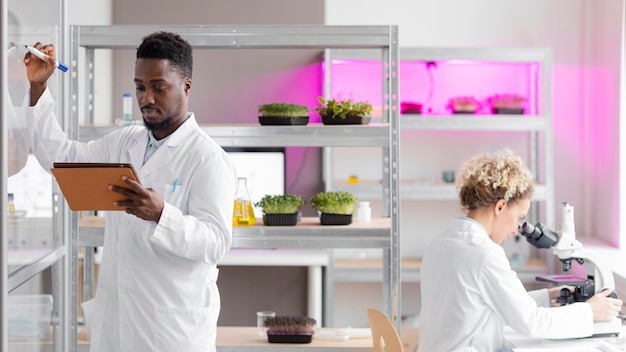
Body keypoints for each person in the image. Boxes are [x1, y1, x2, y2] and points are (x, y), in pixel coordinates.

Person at [24, 32, 236, 352]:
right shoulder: (125, 143)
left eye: (158, 87)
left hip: (171, 331)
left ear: (186, 87)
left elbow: (216, 243)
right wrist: (38, 89)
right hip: (118, 324)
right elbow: (61, 160)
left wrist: (162, 214)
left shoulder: (207, 158)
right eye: (140, 87)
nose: (146, 98)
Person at [417, 149, 622, 352]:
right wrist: (590, 311)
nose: (516, 229)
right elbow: (531, 322)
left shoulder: (441, 243)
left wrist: (547, 297)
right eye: (519, 218)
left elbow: (490, 303)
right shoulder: (484, 254)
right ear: (500, 207)